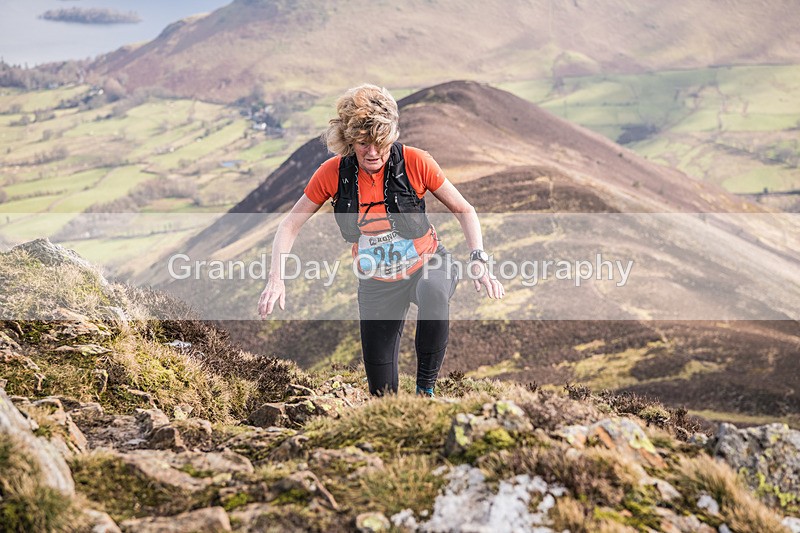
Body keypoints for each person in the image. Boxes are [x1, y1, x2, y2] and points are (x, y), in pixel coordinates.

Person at [258, 84, 504, 397]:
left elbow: (464, 209)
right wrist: (275, 280)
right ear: (349, 141)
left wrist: (479, 260)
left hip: (429, 262)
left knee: (433, 292)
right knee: (382, 394)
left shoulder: (415, 162)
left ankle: (425, 392)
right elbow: (290, 224)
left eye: (379, 143)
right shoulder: (333, 173)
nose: (372, 152)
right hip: (377, 283)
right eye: (362, 144)